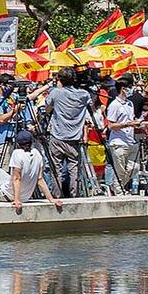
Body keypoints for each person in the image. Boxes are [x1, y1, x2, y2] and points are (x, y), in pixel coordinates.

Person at [0, 129, 61, 210]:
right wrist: (51, 199)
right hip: (25, 196)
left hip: (7, 196)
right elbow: (40, 179)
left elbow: (16, 178)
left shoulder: (17, 153)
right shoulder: (37, 153)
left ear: (17, 144)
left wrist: (16, 200)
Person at [43, 68, 95, 197]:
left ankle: (57, 195)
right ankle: (74, 195)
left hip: (57, 136)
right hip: (74, 138)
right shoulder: (83, 94)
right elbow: (92, 105)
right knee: (74, 169)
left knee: (56, 169)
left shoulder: (56, 93)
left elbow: (47, 109)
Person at [104, 82, 140, 195]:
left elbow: (132, 120)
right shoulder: (114, 105)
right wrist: (127, 124)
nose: (131, 90)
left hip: (131, 141)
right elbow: (110, 125)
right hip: (118, 142)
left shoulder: (130, 104)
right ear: (123, 89)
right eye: (129, 88)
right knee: (119, 171)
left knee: (134, 168)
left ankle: (115, 187)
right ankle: (119, 192)